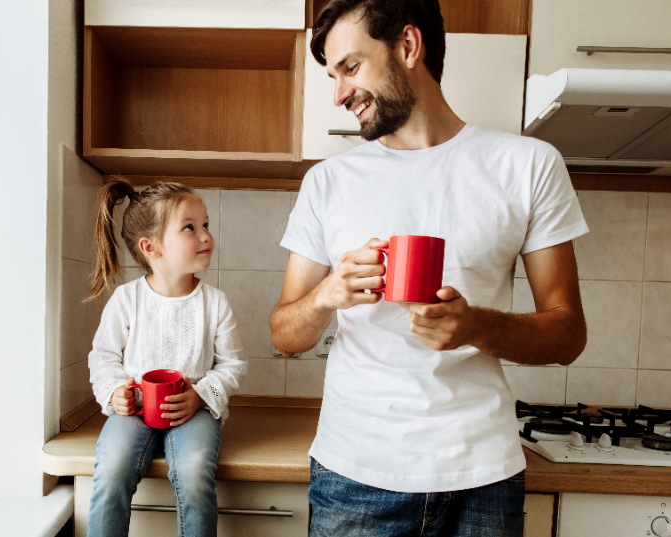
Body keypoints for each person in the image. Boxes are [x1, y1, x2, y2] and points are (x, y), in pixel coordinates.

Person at [270, 1, 588, 535]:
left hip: (482, 475)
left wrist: (475, 326)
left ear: (409, 46)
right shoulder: (328, 181)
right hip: (355, 473)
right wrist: (328, 294)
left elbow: (568, 332)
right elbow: (284, 335)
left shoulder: (528, 165)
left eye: (349, 67)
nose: (338, 94)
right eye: (332, 76)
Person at [85, 180, 248, 537]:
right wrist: (115, 391)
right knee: (111, 470)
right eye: (190, 227)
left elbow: (233, 364)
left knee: (193, 473)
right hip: (136, 409)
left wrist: (201, 396)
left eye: (205, 225)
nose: (205, 235)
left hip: (194, 411)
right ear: (151, 247)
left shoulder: (215, 303)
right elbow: (104, 357)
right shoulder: (127, 300)